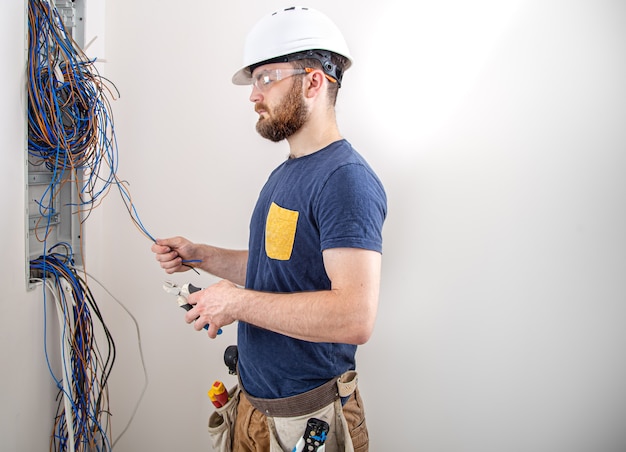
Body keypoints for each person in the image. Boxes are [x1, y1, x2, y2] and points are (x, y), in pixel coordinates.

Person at [152, 6, 387, 451]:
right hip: (255, 410)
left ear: (313, 81)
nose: (253, 95)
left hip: (306, 421)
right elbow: (277, 267)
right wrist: (199, 255)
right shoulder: (289, 172)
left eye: (265, 78)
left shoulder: (345, 179)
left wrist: (236, 303)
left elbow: (355, 316)